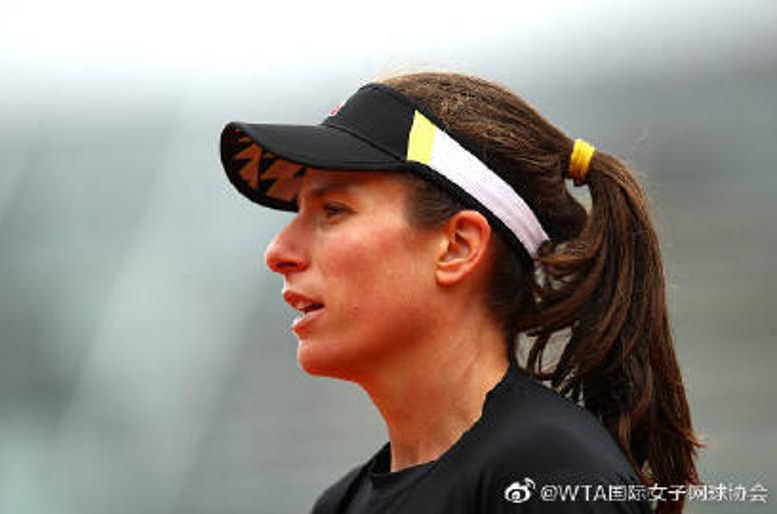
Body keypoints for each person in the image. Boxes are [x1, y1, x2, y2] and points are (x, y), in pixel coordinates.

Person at [218, 72, 704, 513]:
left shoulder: (551, 476)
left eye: (333, 210)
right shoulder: (339, 504)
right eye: (299, 212)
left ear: (458, 247)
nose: (278, 252)